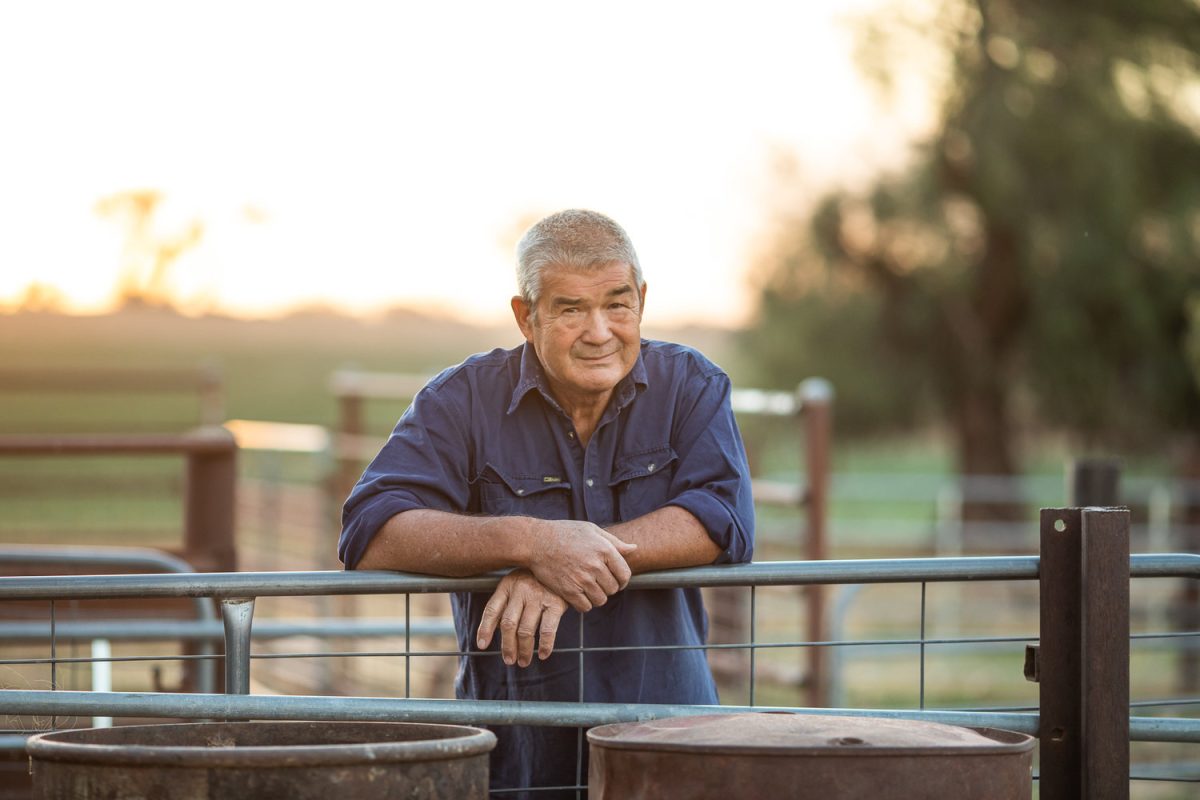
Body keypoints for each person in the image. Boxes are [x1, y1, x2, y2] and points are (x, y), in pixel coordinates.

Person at [339, 209, 754, 798]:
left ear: (641, 298)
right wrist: (531, 542)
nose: (599, 331)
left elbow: (722, 518)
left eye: (617, 303)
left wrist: (568, 563)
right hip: (518, 747)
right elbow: (369, 530)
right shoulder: (462, 400)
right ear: (525, 316)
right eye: (569, 309)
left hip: (668, 734)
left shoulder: (692, 385)